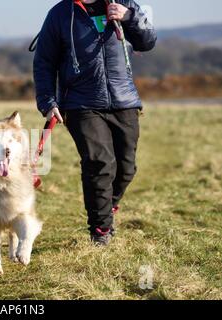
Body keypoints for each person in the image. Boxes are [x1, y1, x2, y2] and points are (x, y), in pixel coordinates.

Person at [33, 0, 156, 245]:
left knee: (126, 167)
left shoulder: (122, 3)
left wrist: (129, 16)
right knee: (99, 163)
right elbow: (44, 62)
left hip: (124, 100)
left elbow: (147, 42)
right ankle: (100, 230)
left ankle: (105, 209)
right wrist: (48, 102)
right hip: (81, 103)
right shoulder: (59, 14)